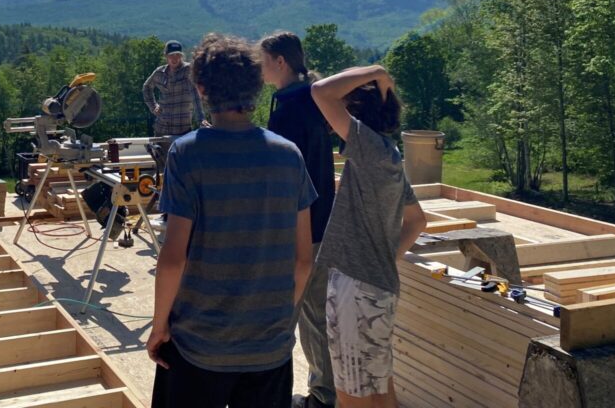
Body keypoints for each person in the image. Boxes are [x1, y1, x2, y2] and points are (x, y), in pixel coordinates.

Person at [147, 34, 318, 408]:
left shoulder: (187, 153)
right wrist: (272, 320)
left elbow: (174, 259)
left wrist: (160, 328)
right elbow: (303, 262)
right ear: (256, 86)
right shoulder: (288, 156)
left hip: (198, 347)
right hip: (269, 352)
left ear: (201, 87)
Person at [311, 66, 427, 408]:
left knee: (351, 397)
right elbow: (418, 221)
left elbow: (320, 91)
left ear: (357, 112)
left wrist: (377, 72)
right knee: (379, 391)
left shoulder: (370, 148)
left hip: (355, 289)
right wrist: (384, 258)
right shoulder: (389, 156)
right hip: (378, 286)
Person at [260, 32, 336, 408]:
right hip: (323, 222)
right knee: (317, 316)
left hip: (297, 229)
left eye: (263, 60)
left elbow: (282, 174)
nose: (260, 68)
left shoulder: (289, 107)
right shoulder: (316, 98)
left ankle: (268, 397)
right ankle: (324, 397)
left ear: (280, 62)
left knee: (278, 321)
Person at [143, 40, 206, 137]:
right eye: (171, 55)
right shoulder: (159, 72)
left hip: (182, 130)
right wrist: (153, 106)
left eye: (177, 55)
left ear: (182, 56)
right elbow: (146, 87)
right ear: (166, 56)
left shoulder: (188, 71)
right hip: (161, 129)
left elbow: (196, 96)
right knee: (160, 152)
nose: (174, 58)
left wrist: (201, 120)